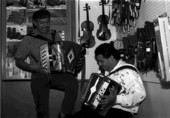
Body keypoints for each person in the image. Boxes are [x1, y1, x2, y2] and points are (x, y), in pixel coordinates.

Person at [15, 9, 79, 118]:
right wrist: (31, 67)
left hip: (56, 74)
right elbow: (18, 61)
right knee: (42, 111)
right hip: (39, 74)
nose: (46, 25)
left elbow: (63, 53)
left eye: (47, 22)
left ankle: (64, 114)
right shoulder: (29, 39)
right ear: (35, 23)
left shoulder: (55, 35)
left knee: (73, 82)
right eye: (42, 23)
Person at [72, 41, 146, 118]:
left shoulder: (128, 72)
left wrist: (116, 99)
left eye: (101, 61)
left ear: (111, 58)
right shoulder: (104, 72)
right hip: (102, 111)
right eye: (98, 62)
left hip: (121, 112)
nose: (99, 64)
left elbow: (140, 94)